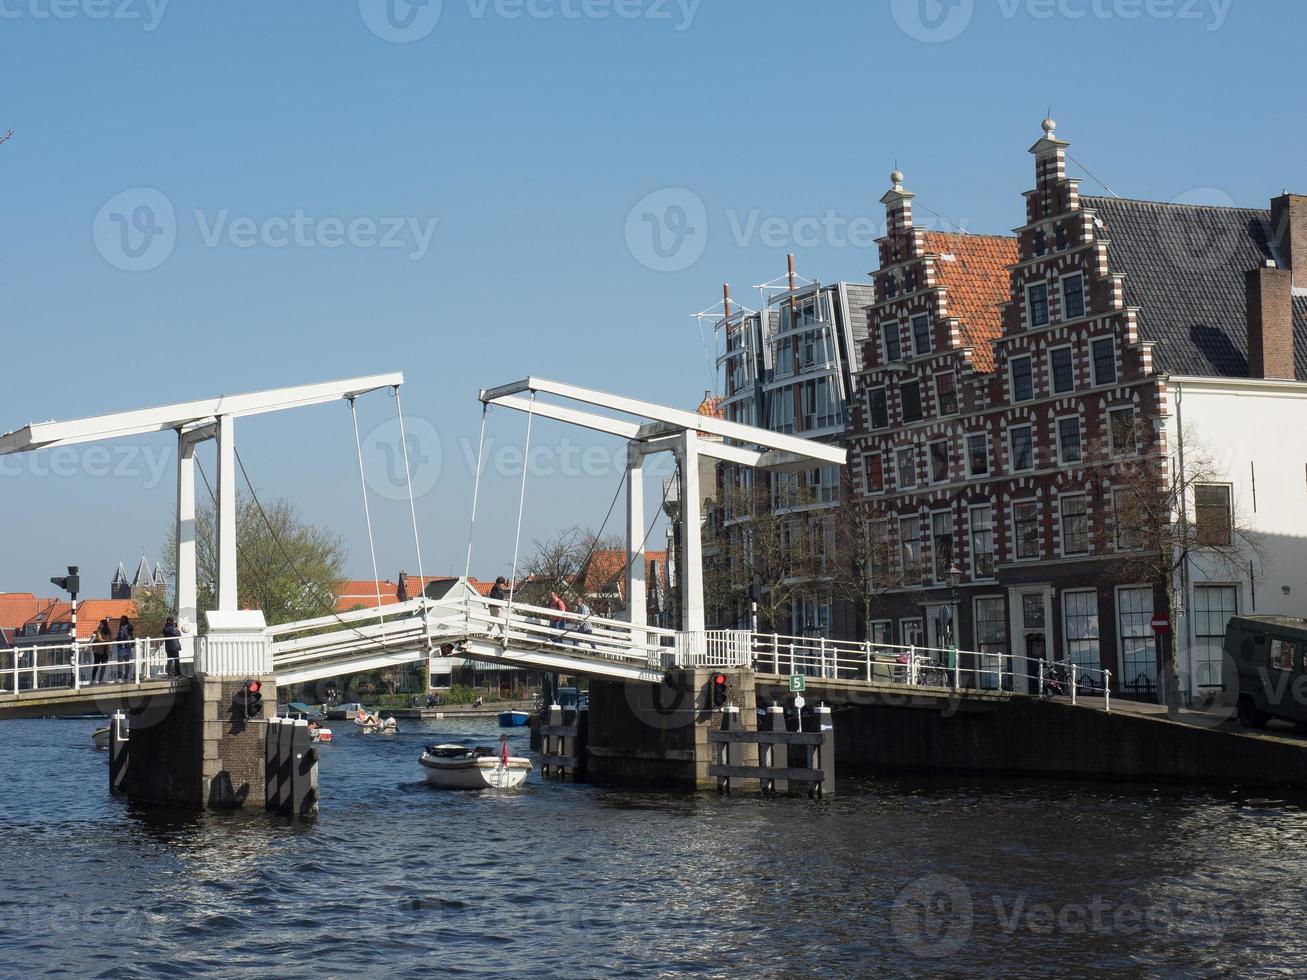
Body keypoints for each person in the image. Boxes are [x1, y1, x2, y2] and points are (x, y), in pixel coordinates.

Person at [90, 618, 113, 684]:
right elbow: (99, 639)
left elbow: (111, 638)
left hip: (106, 650)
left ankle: (101, 679)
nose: (100, 625)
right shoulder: (98, 630)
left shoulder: (109, 630)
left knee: (104, 665)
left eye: (101, 624)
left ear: (104, 625)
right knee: (96, 665)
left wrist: (109, 641)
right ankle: (93, 679)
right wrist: (106, 641)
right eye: (100, 624)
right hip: (98, 651)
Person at [115, 615, 135, 683]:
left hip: (122, 646)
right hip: (127, 646)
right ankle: (125, 677)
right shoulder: (129, 626)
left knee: (121, 663)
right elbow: (131, 632)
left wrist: (117, 639)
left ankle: (120, 677)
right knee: (126, 663)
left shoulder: (122, 627)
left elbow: (120, 636)